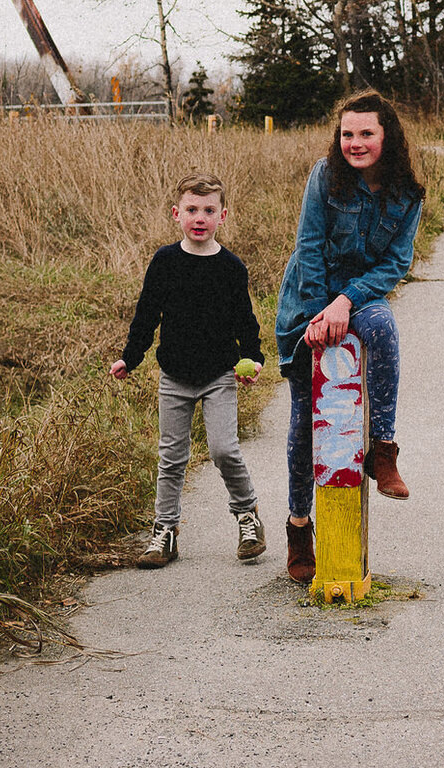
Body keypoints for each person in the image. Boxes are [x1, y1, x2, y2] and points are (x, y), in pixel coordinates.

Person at [277, 91, 424, 585]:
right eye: (347, 134)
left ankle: (382, 449)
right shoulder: (326, 177)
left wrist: (346, 303)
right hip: (307, 297)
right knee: (305, 419)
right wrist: (319, 313)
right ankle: (300, 528)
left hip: (358, 299)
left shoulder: (409, 193)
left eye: (366, 133)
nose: (355, 143)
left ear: (388, 137)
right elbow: (310, 248)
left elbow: (395, 264)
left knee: (384, 328)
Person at [111, 173, 267, 568]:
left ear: (223, 215)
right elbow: (146, 315)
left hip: (219, 375)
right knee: (172, 457)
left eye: (209, 210)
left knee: (224, 449)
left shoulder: (231, 267)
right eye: (192, 210)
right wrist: (131, 357)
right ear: (176, 214)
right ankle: (164, 532)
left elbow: (244, 320)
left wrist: (254, 357)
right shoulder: (165, 262)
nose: (200, 217)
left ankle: (248, 515)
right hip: (175, 376)